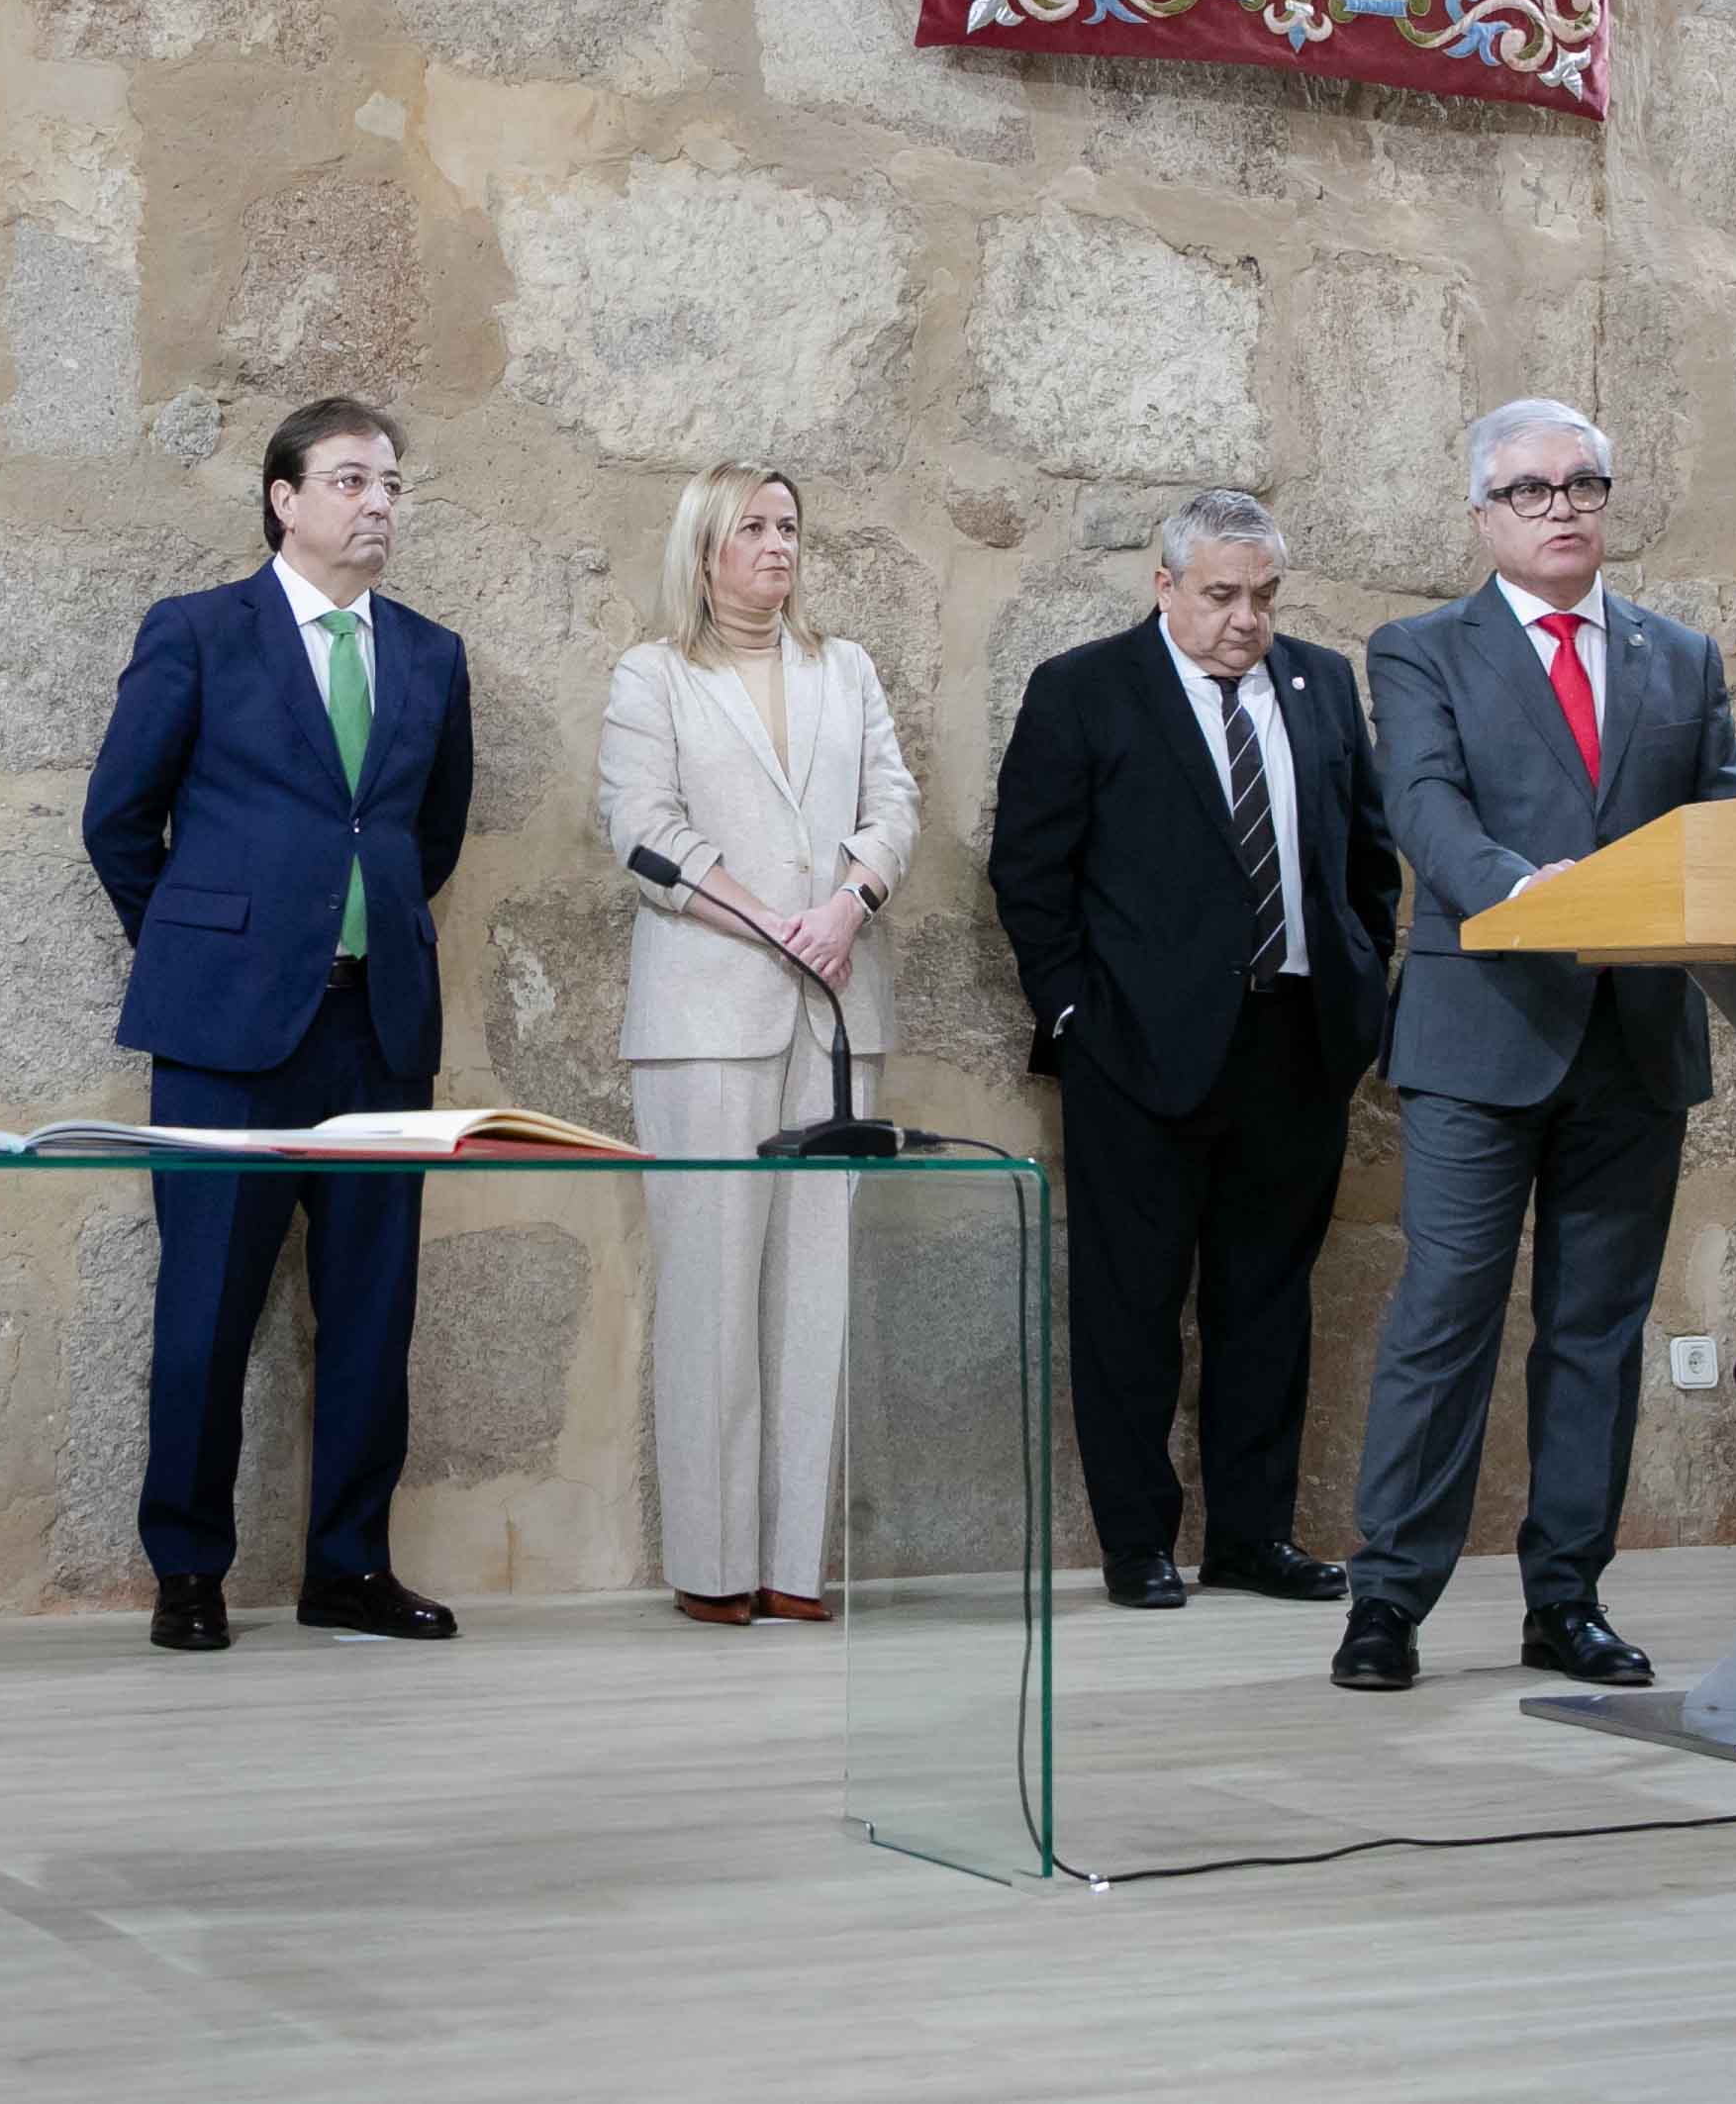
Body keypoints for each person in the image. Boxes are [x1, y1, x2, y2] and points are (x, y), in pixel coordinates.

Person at [1334, 398, 1736, 1696]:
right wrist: (1540, 897)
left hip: (1635, 1037)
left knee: (1596, 1330)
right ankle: (1388, 1597)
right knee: (1445, 1312)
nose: (1561, 504)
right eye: (1530, 488)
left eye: (1582, 483)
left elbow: (1724, 819)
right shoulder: (1420, 647)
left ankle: (1565, 1594)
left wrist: (1656, 909)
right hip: (1482, 1033)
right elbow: (1427, 809)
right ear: (1482, 512)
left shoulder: (1680, 656)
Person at [83, 396, 479, 1653]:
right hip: (229, 1038)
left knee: (373, 1310)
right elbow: (117, 820)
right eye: (352, 480)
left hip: (380, 1029)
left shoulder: (430, 654)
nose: (378, 504)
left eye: (393, 485)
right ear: (284, 496)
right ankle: (187, 1571)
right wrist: (213, 951)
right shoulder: (199, 632)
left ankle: (348, 1568)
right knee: (206, 1303)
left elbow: (432, 835)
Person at [988, 489, 1398, 1611]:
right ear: (1163, 585)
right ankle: (1137, 1543)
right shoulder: (1083, 690)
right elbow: (1029, 873)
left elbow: (1366, 861)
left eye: (1263, 596)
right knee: (1130, 1308)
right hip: (1136, 1053)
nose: (1246, 621)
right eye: (1221, 595)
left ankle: (1252, 1538)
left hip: (1296, 1044)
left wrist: (1361, 989)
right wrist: (1075, 1019)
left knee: (1267, 1303)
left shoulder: (1319, 683)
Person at [596, 465, 923, 1624]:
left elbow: (894, 804)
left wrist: (845, 906)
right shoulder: (654, 675)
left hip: (834, 1007)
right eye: (754, 528)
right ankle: (713, 1564)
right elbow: (640, 828)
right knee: (710, 1289)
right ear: (704, 549)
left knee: (814, 1292)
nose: (778, 545)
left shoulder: (847, 670)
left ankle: (794, 1565)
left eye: (789, 527)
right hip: (704, 1022)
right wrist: (764, 916)